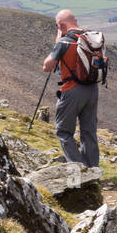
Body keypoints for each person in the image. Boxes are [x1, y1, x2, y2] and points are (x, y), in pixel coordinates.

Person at [42, 10, 100, 168]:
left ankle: (79, 171)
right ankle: (93, 169)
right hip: (92, 89)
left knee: (64, 131)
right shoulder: (90, 38)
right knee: (88, 131)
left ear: (61, 25)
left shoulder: (65, 42)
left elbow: (47, 66)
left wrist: (57, 43)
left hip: (72, 89)